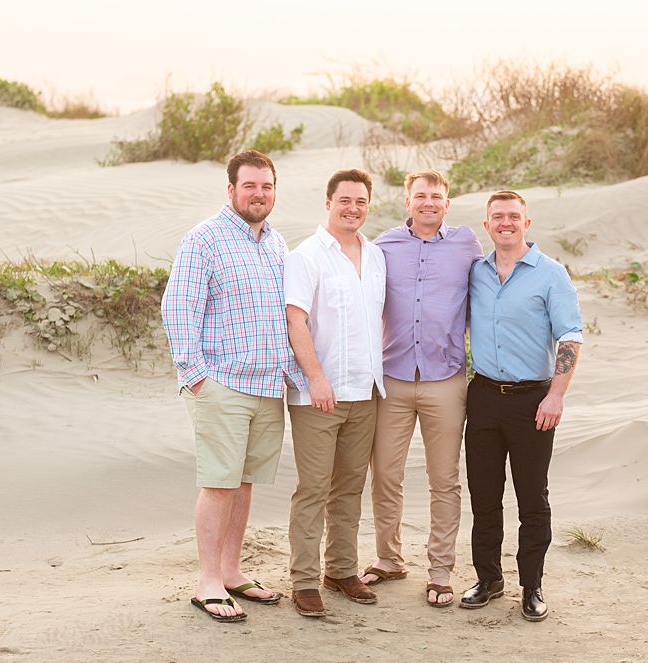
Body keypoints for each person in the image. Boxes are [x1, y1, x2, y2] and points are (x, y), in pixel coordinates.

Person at [161, 149, 302, 622]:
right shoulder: (205, 239)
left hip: (267, 386)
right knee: (219, 483)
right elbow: (178, 310)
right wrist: (197, 377)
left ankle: (232, 571)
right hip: (221, 384)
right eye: (249, 186)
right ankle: (207, 582)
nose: (258, 194)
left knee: (244, 484)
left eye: (266, 186)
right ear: (231, 190)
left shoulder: (278, 244)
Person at [461, 190, 585, 622]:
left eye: (514, 216)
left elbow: (570, 336)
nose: (506, 223)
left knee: (533, 497)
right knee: (484, 496)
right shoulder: (475, 271)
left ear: (526, 224)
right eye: (498, 217)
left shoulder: (551, 274)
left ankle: (531, 585)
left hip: (534, 400)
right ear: (487, 225)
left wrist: (556, 393)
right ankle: (488, 578)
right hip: (482, 396)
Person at [363, 169, 484, 608]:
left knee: (444, 481)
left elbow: (486, 297)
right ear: (407, 201)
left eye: (436, 196)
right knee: (385, 477)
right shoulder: (384, 246)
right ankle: (388, 559)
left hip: (446, 381)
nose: (428, 202)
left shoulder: (467, 244)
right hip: (392, 379)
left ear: (447, 203)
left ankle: (439, 572)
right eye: (420, 196)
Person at [283, 168, 388, 617]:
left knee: (349, 487)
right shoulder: (306, 256)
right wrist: (316, 377)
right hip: (319, 396)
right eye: (345, 200)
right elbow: (295, 319)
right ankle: (304, 581)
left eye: (361, 201)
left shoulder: (377, 255)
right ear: (328, 203)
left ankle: (341, 570)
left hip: (366, 391)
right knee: (313, 489)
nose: (353, 208)